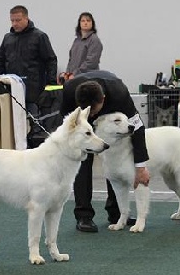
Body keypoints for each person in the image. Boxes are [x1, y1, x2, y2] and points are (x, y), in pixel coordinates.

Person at [60, 70, 150, 232]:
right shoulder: (68, 91)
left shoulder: (119, 93)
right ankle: (83, 216)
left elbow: (138, 128)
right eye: (88, 111)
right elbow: (65, 124)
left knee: (114, 161)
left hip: (110, 121)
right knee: (82, 161)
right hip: (82, 129)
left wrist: (141, 167)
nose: (91, 115)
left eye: (93, 111)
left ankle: (116, 213)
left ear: (103, 100)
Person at [0, 5, 58, 119]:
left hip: (34, 93)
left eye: (18, 20)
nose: (14, 24)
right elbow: (1, 61)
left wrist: (50, 86)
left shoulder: (39, 36)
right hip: (12, 91)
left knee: (34, 125)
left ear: (26, 18)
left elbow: (51, 61)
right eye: (12, 21)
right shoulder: (7, 38)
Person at [66, 12, 103, 76]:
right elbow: (71, 61)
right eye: (83, 21)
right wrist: (67, 75)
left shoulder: (94, 40)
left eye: (88, 21)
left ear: (92, 23)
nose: (85, 23)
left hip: (88, 79)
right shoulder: (76, 41)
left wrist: (75, 74)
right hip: (73, 78)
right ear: (79, 23)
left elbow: (91, 62)